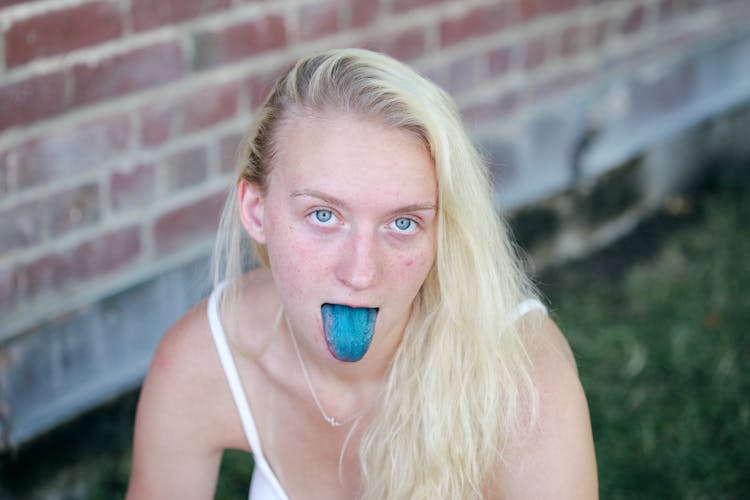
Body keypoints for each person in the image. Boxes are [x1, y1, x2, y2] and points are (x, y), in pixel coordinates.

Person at [126, 48, 598, 499]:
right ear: (256, 210)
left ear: (440, 233)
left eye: (402, 223)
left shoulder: (523, 385)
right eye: (324, 216)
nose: (360, 273)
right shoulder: (204, 361)